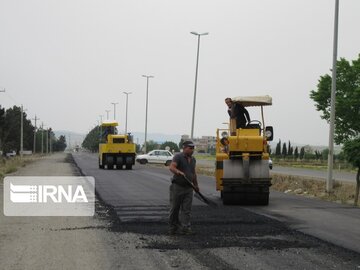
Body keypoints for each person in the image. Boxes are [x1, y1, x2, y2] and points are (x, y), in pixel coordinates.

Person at [168, 140, 199, 235]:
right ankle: (173, 227)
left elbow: (193, 173)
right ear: (184, 148)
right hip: (177, 187)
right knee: (175, 208)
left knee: (187, 209)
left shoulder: (193, 159)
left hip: (188, 188)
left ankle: (186, 228)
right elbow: (172, 167)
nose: (192, 150)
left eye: (193, 148)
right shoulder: (178, 157)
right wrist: (178, 172)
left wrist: (196, 185)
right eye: (190, 148)